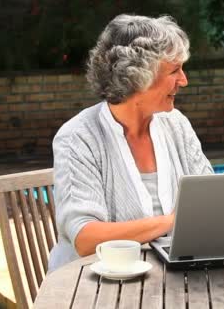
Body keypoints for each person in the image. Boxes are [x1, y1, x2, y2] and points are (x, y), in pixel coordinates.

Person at [49, 14, 213, 271]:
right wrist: (174, 221)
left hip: (174, 279)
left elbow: (212, 199)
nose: (184, 80)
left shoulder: (176, 124)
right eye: (174, 70)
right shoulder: (78, 137)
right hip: (94, 288)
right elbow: (86, 238)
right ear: (138, 77)